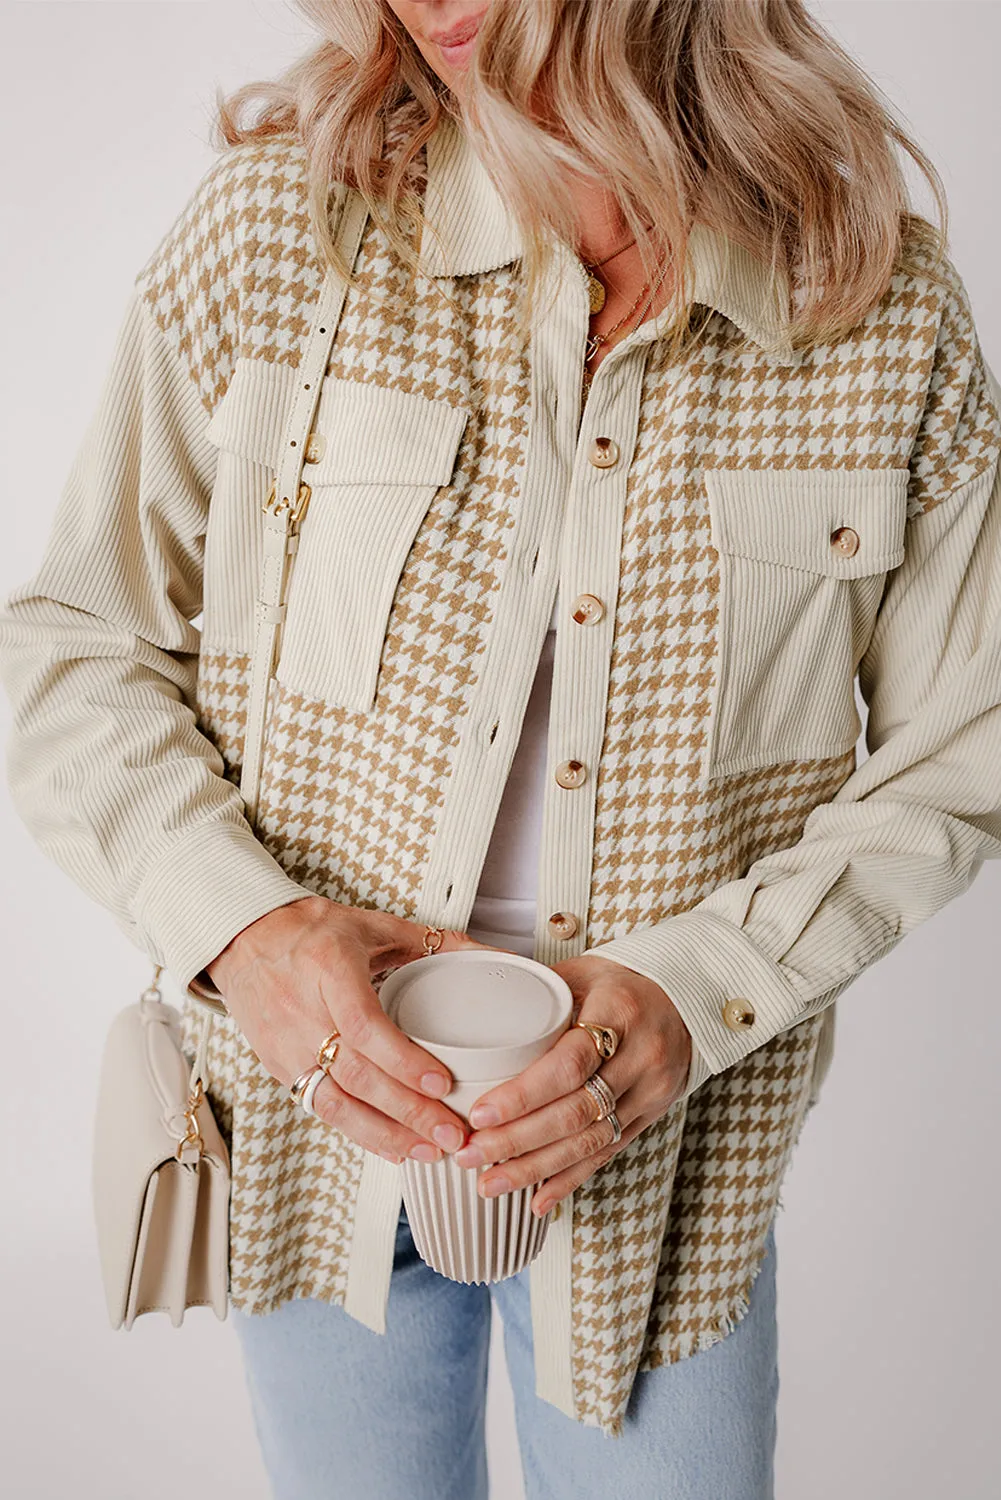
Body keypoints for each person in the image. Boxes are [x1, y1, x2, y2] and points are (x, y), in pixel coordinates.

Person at [2, 1, 1000, 1496]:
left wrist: (697, 992)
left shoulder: (876, 306)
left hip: (670, 1164)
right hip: (315, 1129)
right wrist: (254, 938)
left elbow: (969, 736)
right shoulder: (283, 235)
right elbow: (71, 642)